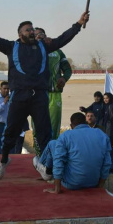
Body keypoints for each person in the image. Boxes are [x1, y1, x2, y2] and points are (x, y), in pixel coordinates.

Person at [0, 11, 90, 180]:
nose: (31, 31)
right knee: (10, 133)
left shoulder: (44, 47)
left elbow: (63, 39)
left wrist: (78, 24)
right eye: (27, 29)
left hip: (40, 96)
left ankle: (45, 165)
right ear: (20, 34)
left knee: (45, 133)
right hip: (19, 97)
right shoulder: (11, 47)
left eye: (32, 29)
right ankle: (4, 160)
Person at [33, 112, 111, 193]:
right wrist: (100, 185)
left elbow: (58, 161)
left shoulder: (66, 135)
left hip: (71, 183)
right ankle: (46, 171)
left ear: (71, 126)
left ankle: (45, 169)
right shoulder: (101, 135)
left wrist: (57, 188)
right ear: (86, 122)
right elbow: (107, 163)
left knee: (52, 144)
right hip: (94, 182)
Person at [32, 27, 72, 155]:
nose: (39, 36)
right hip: (37, 95)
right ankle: (39, 154)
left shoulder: (58, 52)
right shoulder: (30, 51)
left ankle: (52, 154)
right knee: (37, 126)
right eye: (35, 34)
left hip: (54, 94)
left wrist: (64, 78)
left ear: (45, 35)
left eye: (41, 34)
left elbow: (68, 70)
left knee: (53, 126)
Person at [0, 81, 27, 154]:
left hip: (11, 125)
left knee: (11, 145)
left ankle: (11, 161)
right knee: (0, 145)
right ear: (0, 89)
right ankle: (0, 161)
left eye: (8, 89)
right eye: (4, 88)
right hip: (0, 125)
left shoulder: (13, 97)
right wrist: (4, 103)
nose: (6, 90)